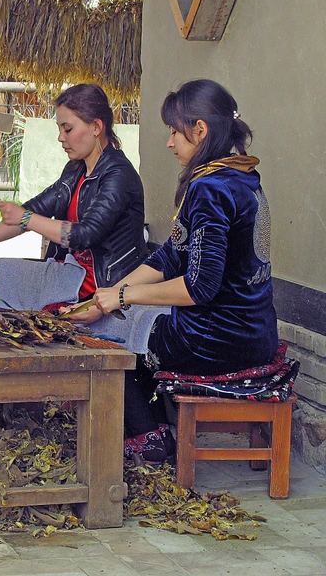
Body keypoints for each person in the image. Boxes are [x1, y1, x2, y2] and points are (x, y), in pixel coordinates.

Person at [92, 79, 278, 462]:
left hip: (216, 342)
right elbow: (170, 257)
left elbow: (198, 288)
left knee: (105, 340)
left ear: (200, 130)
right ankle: (156, 429)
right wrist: (110, 294)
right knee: (123, 318)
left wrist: (123, 298)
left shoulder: (210, 188)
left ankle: (148, 437)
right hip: (256, 333)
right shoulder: (242, 176)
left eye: (175, 131)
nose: (170, 142)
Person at [0, 83, 147, 316]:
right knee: (4, 269)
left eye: (68, 129)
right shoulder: (76, 170)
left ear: (96, 127)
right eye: (60, 129)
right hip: (74, 275)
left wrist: (27, 218)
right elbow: (34, 210)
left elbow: (84, 234)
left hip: (105, 285)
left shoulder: (118, 175)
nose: (60, 138)